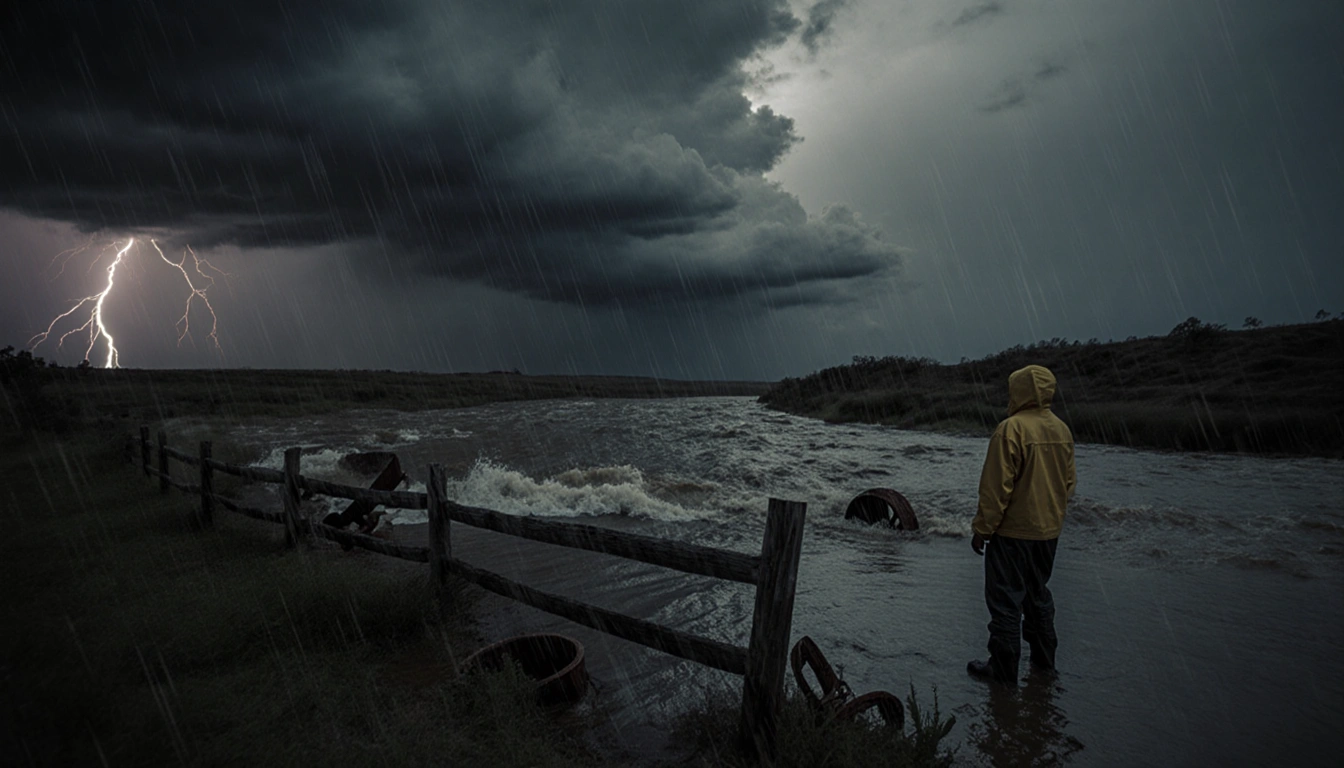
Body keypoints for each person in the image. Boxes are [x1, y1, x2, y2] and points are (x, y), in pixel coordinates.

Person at [968, 364, 1076, 685]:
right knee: (1037, 596)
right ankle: (1044, 664)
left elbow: (996, 488)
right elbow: (1068, 484)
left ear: (1019, 391)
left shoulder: (1010, 429)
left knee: (1005, 602)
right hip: (1047, 535)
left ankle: (1002, 672)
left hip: (1011, 534)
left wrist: (982, 529)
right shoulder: (1062, 430)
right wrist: (1050, 516)